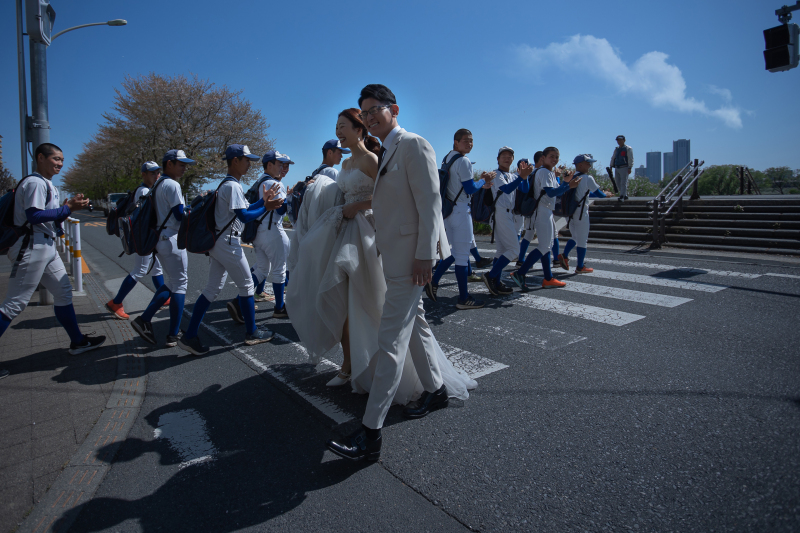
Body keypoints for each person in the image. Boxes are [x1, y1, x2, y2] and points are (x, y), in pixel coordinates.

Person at [326, 84, 476, 462]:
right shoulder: (386, 149)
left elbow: (430, 204)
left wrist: (425, 255)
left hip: (412, 262)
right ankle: (436, 391)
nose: (369, 117)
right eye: (364, 113)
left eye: (375, 109)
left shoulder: (413, 144)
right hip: (394, 256)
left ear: (393, 109)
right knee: (417, 326)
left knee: (390, 341)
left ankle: (370, 433)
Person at [0, 143, 106, 359]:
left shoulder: (47, 184)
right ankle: (78, 341)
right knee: (14, 304)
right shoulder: (35, 183)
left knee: (64, 292)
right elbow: (34, 216)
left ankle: (78, 342)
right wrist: (67, 208)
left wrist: (66, 209)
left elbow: (48, 219)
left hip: (45, 246)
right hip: (31, 246)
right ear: (40, 157)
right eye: (56, 159)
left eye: (62, 160)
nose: (60, 164)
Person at [178, 144, 281, 355]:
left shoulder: (227, 184)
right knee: (247, 286)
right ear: (235, 161)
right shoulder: (233, 186)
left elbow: (245, 209)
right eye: (246, 160)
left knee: (212, 289)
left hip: (218, 242)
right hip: (228, 243)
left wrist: (263, 201)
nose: (249, 164)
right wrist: (266, 207)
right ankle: (252, 332)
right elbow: (244, 216)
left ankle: (190, 335)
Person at [131, 149, 193, 347]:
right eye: (181, 164)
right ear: (169, 164)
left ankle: (144, 319)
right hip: (172, 237)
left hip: (159, 237)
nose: (184, 168)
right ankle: (173, 333)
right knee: (180, 284)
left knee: (172, 283)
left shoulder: (157, 184)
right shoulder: (172, 184)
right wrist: (194, 210)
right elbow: (179, 215)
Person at [425, 128, 493, 309]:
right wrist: (483, 181)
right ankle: (464, 298)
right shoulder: (464, 161)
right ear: (456, 142)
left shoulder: (447, 158)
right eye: (466, 140)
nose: (470, 144)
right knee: (462, 256)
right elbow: (470, 188)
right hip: (462, 211)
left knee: (453, 253)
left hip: (448, 211)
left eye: (471, 140)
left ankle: (434, 280)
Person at [509, 146, 580, 291]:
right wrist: (568, 185)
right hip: (542, 211)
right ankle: (520, 273)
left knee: (547, 245)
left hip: (545, 210)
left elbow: (556, 191)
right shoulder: (544, 172)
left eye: (556, 157)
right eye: (551, 156)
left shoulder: (548, 172)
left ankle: (548, 278)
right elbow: (551, 193)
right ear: (543, 158)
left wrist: (565, 182)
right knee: (544, 246)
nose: (554, 159)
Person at [232, 151, 291, 321]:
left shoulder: (260, 181)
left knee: (262, 269)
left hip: (257, 231)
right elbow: (281, 210)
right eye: (279, 164)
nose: (282, 167)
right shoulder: (274, 183)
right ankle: (279, 307)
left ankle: (238, 302)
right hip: (273, 230)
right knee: (279, 269)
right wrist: (289, 197)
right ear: (269, 165)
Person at [105, 161, 168, 320]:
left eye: (158, 172)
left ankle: (163, 297)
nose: (157, 175)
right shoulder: (144, 191)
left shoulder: (144, 190)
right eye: (152, 173)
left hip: (146, 236)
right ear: (143, 174)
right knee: (140, 270)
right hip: (143, 238)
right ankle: (116, 302)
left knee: (156, 268)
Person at [482, 147, 532, 296]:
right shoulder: (496, 174)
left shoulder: (511, 175)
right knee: (514, 250)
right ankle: (491, 276)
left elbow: (524, 189)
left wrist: (525, 177)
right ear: (498, 159)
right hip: (501, 213)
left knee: (502, 251)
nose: (507, 158)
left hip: (508, 214)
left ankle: (496, 283)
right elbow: (507, 189)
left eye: (510, 156)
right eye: (503, 156)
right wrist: (521, 177)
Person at [556, 154, 612, 273]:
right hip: (581, 212)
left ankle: (564, 255)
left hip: (569, 212)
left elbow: (584, 192)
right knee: (582, 240)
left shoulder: (570, 177)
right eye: (588, 163)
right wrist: (606, 194)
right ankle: (580, 266)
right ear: (580, 165)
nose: (590, 166)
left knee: (575, 237)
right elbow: (598, 194)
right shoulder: (587, 178)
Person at [517, 151, 543, 266]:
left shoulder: (534, 173)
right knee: (529, 234)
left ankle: (520, 259)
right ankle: (521, 260)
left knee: (529, 233)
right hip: (534, 208)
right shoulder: (537, 173)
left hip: (531, 207)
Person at [610, 135, 633, 202]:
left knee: (623, 182)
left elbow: (630, 158)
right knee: (617, 182)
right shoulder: (617, 149)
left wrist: (630, 167)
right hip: (617, 167)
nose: (619, 141)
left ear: (624, 140)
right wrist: (611, 166)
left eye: (620, 140)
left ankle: (622, 196)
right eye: (618, 140)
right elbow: (613, 157)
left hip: (624, 167)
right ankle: (624, 194)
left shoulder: (628, 148)